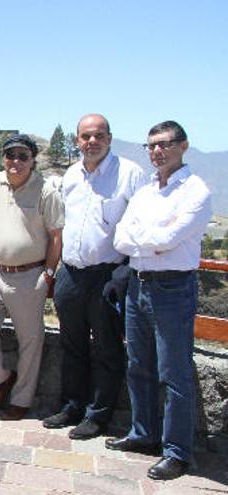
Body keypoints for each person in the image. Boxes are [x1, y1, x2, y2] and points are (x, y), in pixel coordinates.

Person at [108, 121, 212, 481]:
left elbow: (170, 238)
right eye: (151, 145)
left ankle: (177, 452)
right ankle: (143, 433)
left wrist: (146, 237)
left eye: (165, 144)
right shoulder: (146, 191)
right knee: (139, 364)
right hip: (138, 285)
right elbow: (121, 238)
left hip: (172, 288)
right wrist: (148, 239)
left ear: (183, 146)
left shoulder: (196, 191)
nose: (157, 151)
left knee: (174, 373)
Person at [42, 114, 146, 439]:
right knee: (71, 344)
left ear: (110, 138)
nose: (92, 141)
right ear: (77, 140)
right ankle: (71, 405)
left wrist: (124, 273)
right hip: (71, 275)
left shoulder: (129, 174)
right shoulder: (71, 175)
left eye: (99, 135)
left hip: (107, 274)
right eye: (86, 136)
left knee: (106, 347)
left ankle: (97, 415)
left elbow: (141, 223)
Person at [0, 134, 63, 421]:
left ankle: (21, 400)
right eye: (11, 155)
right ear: (3, 158)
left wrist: (48, 273)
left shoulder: (46, 191)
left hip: (30, 274)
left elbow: (57, 235)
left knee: (30, 341)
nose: (16, 161)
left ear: (33, 159)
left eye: (23, 156)